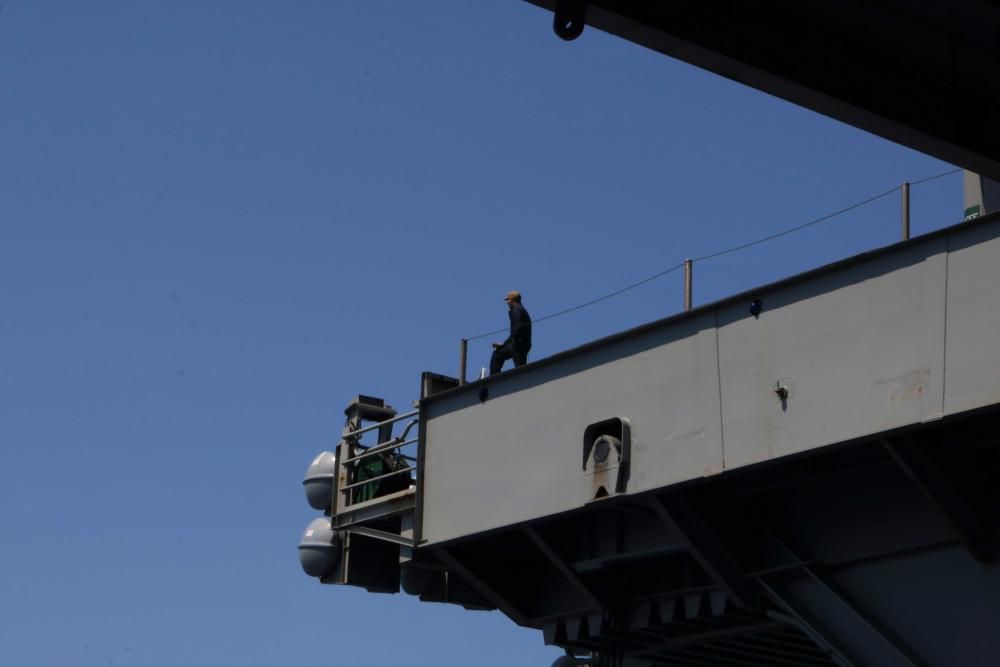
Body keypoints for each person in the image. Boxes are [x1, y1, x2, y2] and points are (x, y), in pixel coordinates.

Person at [490, 291, 532, 375]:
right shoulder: (519, 310)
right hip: (521, 344)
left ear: (512, 300)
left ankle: (493, 379)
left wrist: (504, 344)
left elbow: (516, 330)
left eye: (507, 300)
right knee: (520, 366)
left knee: (498, 354)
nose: (507, 302)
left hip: (518, 345)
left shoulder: (517, 311)